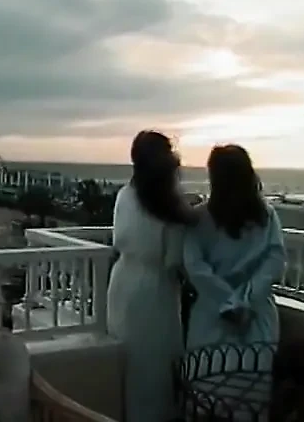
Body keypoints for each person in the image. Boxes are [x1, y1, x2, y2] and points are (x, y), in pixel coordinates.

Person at [183, 144, 286, 420]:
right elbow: (274, 262)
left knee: (208, 396)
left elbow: (196, 268)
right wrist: (244, 300)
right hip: (256, 319)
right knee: (248, 400)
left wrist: (229, 302)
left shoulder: (199, 219)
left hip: (211, 317)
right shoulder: (267, 217)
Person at [107, 130, 196, 422]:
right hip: (155, 289)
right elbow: (174, 261)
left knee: (127, 360)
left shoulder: (124, 196)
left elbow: (118, 241)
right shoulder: (169, 209)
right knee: (154, 367)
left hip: (122, 283)